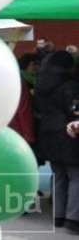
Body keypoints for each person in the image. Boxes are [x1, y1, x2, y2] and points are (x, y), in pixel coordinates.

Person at [34, 51, 79, 231]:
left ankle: (58, 216)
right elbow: (75, 111)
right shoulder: (71, 86)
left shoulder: (41, 85)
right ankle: (73, 219)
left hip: (48, 135)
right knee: (76, 177)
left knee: (59, 177)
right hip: (69, 135)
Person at [10, 53, 39, 146]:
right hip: (17, 131)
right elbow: (23, 109)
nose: (38, 67)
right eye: (35, 64)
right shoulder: (18, 80)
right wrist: (29, 135)